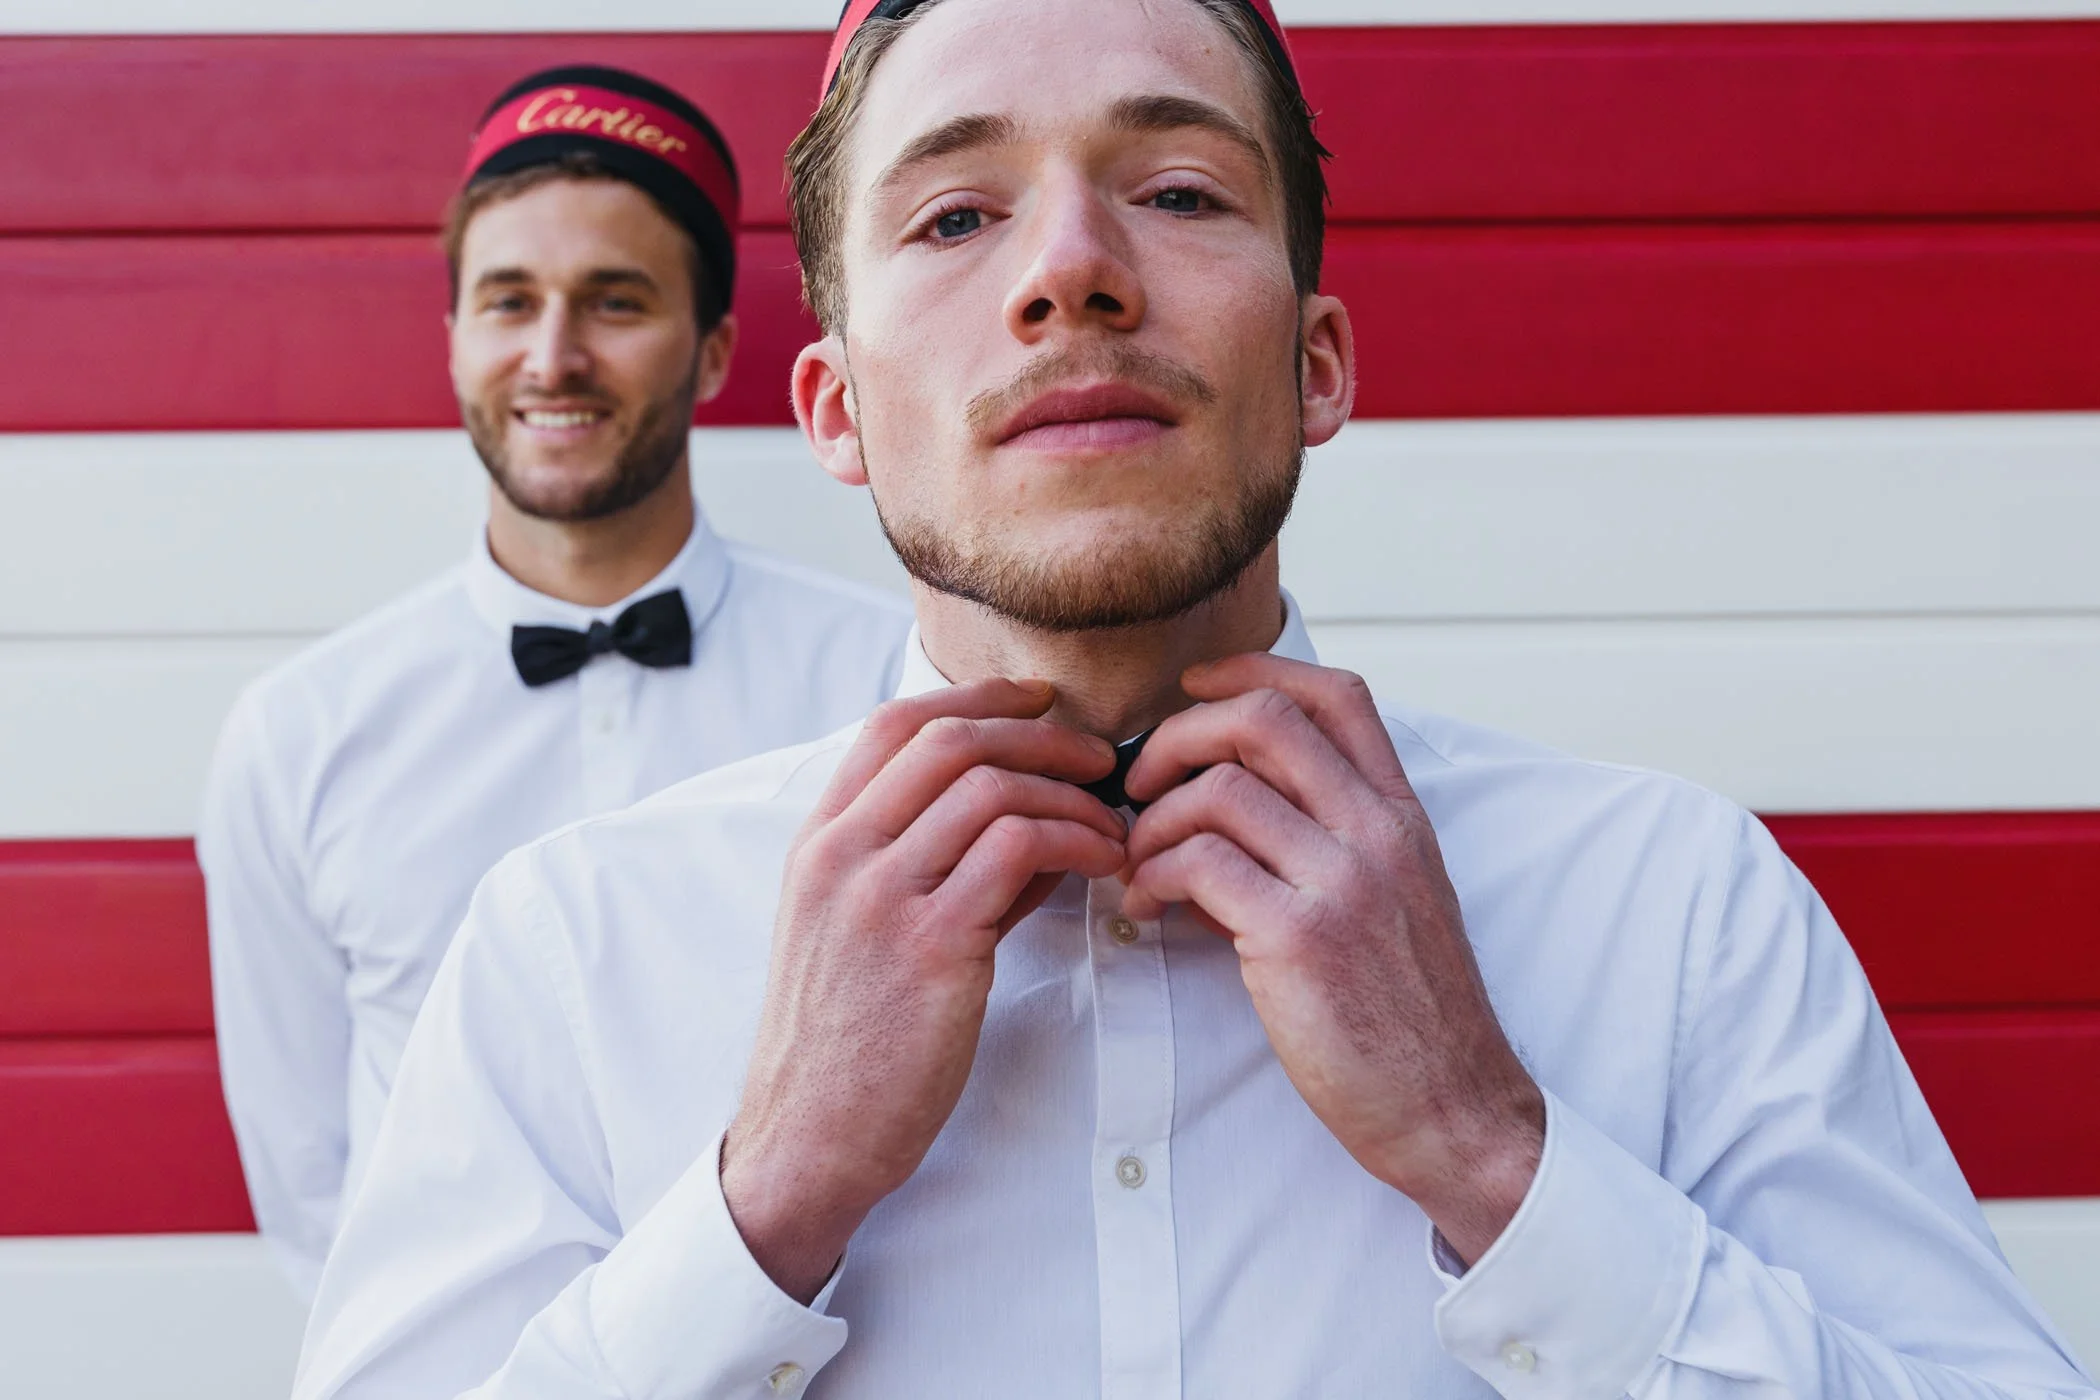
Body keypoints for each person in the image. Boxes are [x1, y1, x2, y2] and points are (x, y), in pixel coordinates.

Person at [293, 6, 2094, 1396]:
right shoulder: (567, 954)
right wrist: (762, 1207)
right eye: (956, 214)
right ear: (836, 411)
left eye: (1175, 192)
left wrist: (1499, 1159)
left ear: (1317, 363)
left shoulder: (1678, 910)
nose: (1070, 271)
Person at [198, 64, 911, 1300]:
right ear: (455, 338)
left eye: (614, 301)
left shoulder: (886, 681)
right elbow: (312, 1182)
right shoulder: (299, 734)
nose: (553, 355)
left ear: (713, 351)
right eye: (508, 301)